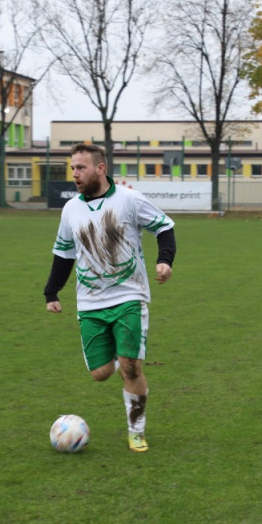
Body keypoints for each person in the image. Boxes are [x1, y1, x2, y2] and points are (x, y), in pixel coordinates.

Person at [43, 142, 177, 453]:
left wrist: (165, 260)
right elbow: (64, 254)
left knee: (131, 368)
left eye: (81, 167)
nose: (75, 173)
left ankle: (136, 432)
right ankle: (120, 353)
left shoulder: (129, 200)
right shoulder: (71, 210)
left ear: (100, 168)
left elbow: (165, 227)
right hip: (90, 302)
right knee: (100, 373)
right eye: (73, 167)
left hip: (129, 295)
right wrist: (52, 291)